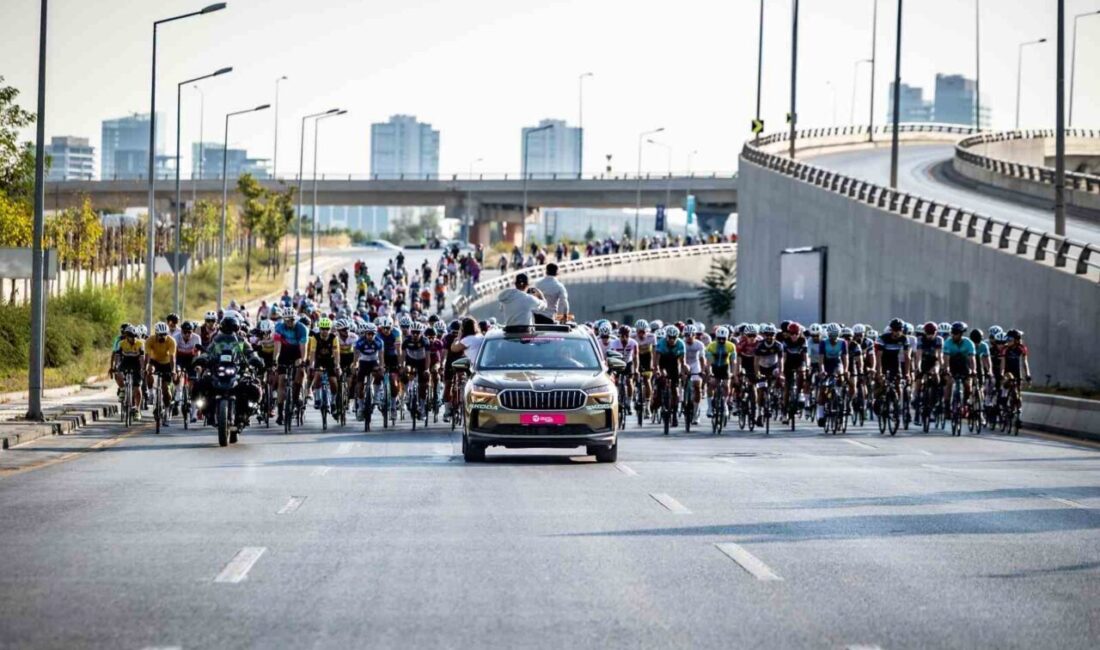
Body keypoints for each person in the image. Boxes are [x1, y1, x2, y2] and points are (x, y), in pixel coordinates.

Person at [144, 321, 177, 425]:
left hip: (167, 363)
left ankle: (167, 412)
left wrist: (173, 370)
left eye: (164, 335)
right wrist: (145, 369)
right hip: (154, 361)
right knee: (149, 369)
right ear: (156, 334)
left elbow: (172, 358)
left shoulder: (171, 341)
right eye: (160, 335)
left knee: (166, 390)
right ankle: (150, 393)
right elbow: (147, 357)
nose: (162, 337)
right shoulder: (150, 340)